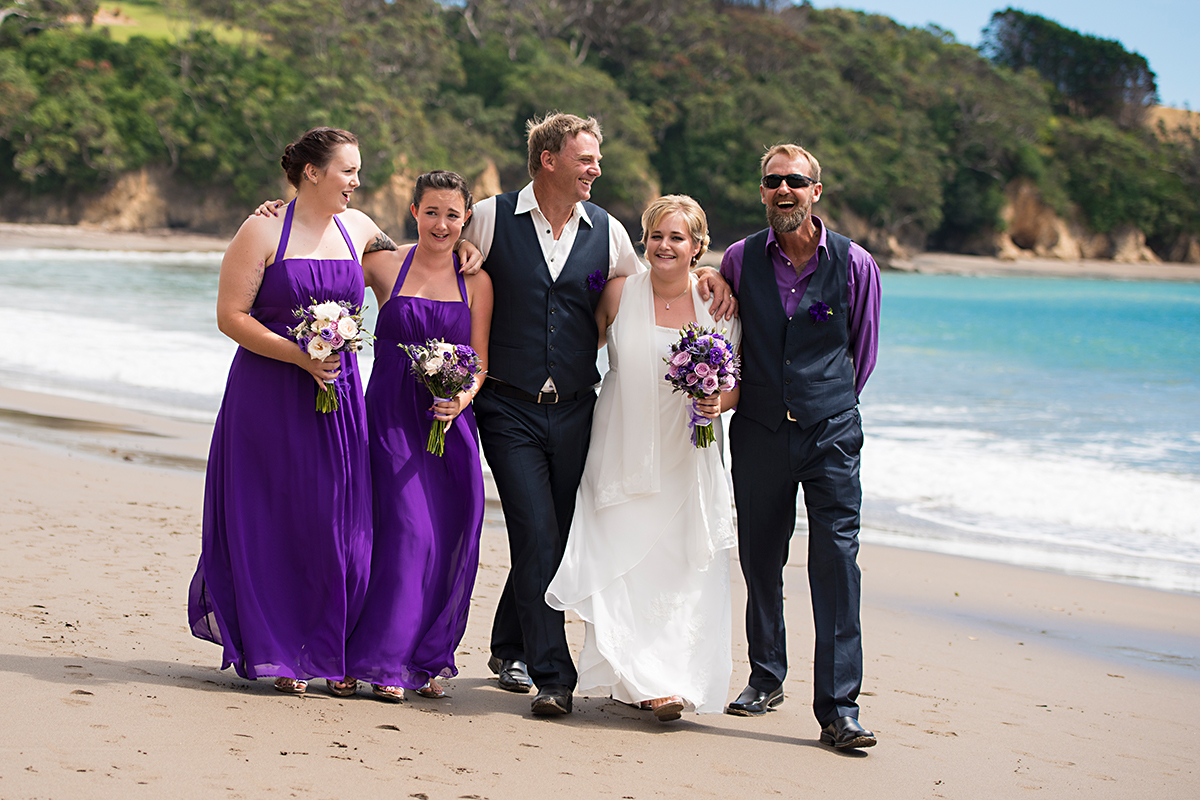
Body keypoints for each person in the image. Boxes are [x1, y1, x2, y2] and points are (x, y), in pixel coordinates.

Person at [460, 112, 735, 716]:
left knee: (556, 538)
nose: (597, 168)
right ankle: (552, 677)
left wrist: (707, 276)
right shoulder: (489, 216)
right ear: (549, 159)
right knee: (537, 532)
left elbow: (655, 292)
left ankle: (507, 644)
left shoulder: (608, 231)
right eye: (586, 158)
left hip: (581, 411)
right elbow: (434, 249)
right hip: (508, 404)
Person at [188, 127, 383, 695]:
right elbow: (231, 316)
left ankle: (330, 647)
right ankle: (280, 653)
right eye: (348, 170)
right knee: (273, 518)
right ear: (313, 172)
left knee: (337, 521)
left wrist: (465, 250)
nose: (356, 181)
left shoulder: (362, 228)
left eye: (358, 171)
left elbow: (421, 263)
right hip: (268, 394)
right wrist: (298, 355)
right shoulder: (262, 228)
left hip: (337, 396)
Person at [546, 195, 739, 722]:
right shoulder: (618, 292)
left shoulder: (716, 304)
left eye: (677, 238)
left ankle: (672, 680)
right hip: (620, 443)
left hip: (687, 449)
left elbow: (736, 386)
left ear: (698, 246)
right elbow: (573, 348)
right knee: (620, 558)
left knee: (680, 564)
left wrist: (714, 400)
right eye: (656, 236)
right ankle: (641, 679)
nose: (664, 246)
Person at [720, 143, 881, 749]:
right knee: (761, 555)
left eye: (795, 181)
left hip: (830, 431)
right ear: (762, 191)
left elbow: (861, 353)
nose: (783, 190)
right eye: (772, 181)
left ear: (817, 191)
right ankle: (766, 676)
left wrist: (825, 401)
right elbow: (723, 323)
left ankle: (839, 708)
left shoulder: (855, 262)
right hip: (760, 429)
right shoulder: (738, 259)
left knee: (836, 562)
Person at [342, 171, 492, 702]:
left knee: (448, 537)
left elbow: (479, 360)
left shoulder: (476, 281)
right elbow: (322, 255)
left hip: (447, 424)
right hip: (387, 420)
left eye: (453, 214)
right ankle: (382, 662)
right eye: (432, 212)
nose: (442, 224)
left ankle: (423, 656)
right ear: (413, 212)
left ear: (466, 219)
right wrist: (276, 210)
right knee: (405, 534)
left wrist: (462, 399)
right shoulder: (383, 264)